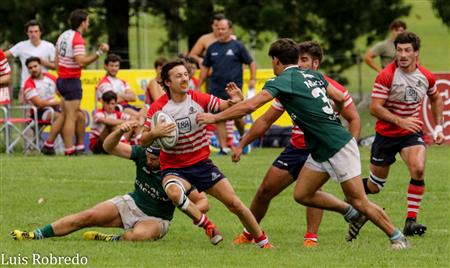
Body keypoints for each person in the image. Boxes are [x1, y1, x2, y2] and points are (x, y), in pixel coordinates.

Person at [197, 38, 409, 249]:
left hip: (336, 145)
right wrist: (322, 109)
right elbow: (339, 98)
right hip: (319, 148)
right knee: (302, 194)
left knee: (360, 201)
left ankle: (397, 237)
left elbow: (251, 106)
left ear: (276, 60)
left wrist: (214, 118)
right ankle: (351, 214)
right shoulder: (314, 75)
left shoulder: (281, 81)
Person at [232, 41, 361, 247]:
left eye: (304, 60)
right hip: (296, 148)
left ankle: (311, 237)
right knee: (265, 190)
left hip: (322, 147)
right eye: (298, 59)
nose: (299, 64)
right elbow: (266, 120)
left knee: (311, 194)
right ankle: (250, 233)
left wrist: (349, 149)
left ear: (316, 63)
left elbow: (354, 118)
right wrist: (242, 143)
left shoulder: (328, 86)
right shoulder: (290, 83)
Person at [141, 60, 272, 248]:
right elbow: (143, 140)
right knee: (174, 192)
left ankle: (263, 242)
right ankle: (207, 225)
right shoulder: (158, 108)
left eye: (186, 74)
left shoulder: (199, 98)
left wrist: (237, 101)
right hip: (174, 167)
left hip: (202, 164)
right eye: (178, 76)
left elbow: (228, 107)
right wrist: (154, 133)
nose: (184, 78)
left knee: (235, 204)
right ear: (168, 83)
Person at [10, 120, 208, 241]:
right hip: (130, 203)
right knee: (85, 217)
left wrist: (190, 208)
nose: (148, 160)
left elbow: (203, 201)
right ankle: (36, 234)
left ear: (163, 157)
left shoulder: (176, 173)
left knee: (138, 236)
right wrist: (120, 132)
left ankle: (113, 239)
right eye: (147, 156)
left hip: (157, 220)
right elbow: (109, 147)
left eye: (153, 159)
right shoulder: (141, 154)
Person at [365, 32, 444, 236]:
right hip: (386, 135)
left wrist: (438, 128)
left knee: (418, 169)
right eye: (399, 50)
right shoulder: (386, 75)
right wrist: (400, 121)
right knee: (375, 187)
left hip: (411, 133)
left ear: (416, 53)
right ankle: (353, 195)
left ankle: (411, 221)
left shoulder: (425, 77)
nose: (402, 54)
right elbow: (375, 108)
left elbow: (436, 99)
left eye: (407, 50)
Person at [197, 18, 256, 154]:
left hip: (234, 91)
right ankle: (223, 148)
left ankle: (243, 139)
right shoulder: (212, 48)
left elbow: (251, 62)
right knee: (220, 118)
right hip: (216, 88)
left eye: (223, 29)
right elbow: (205, 68)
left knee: (238, 117)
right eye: (218, 28)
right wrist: (199, 85)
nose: (220, 31)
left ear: (230, 30)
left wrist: (252, 78)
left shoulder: (238, 46)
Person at [56, 9, 109, 155]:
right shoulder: (77, 39)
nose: (89, 24)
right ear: (82, 22)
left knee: (70, 115)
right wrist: (99, 52)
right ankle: (69, 149)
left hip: (62, 78)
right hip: (71, 80)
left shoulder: (63, 35)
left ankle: (75, 147)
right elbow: (80, 62)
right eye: (88, 21)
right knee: (71, 116)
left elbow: (56, 59)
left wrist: (59, 76)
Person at [22, 57, 85, 155]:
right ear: (28, 70)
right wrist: (61, 103)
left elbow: (62, 94)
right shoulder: (29, 84)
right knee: (60, 116)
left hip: (56, 108)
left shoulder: (50, 78)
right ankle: (65, 147)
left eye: (35, 66)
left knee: (79, 115)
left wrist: (72, 105)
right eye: (30, 68)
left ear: (41, 66)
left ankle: (79, 147)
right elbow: (40, 103)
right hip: (39, 112)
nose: (33, 69)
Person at [4, 20, 56, 89]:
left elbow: (56, 66)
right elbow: (3, 55)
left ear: (40, 32)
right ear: (27, 33)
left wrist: (44, 63)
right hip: (26, 86)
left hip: (45, 86)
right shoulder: (21, 46)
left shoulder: (49, 46)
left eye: (36, 31)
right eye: (30, 32)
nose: (33, 34)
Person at [96, 54, 140, 119]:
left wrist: (120, 95)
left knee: (147, 114)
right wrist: (125, 96)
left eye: (116, 66)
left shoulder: (122, 81)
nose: (114, 68)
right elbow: (112, 100)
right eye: (111, 66)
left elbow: (133, 97)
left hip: (128, 107)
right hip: (116, 109)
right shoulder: (104, 82)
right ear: (106, 66)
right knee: (140, 118)